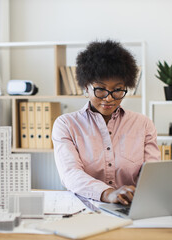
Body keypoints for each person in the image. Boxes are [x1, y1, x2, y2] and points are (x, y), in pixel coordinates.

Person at [52, 39, 160, 206]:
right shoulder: (66, 125)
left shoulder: (143, 124)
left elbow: (152, 174)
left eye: (117, 90)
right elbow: (70, 174)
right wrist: (108, 194)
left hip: (130, 208)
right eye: (100, 89)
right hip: (83, 209)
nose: (109, 98)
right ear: (86, 87)